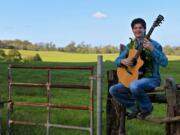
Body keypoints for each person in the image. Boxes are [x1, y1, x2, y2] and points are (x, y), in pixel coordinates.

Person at [109, 18, 168, 119]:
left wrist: (152, 49)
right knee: (113, 89)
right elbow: (117, 60)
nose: (138, 30)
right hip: (134, 79)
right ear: (132, 30)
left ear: (145, 29)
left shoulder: (155, 45)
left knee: (134, 85)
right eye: (135, 28)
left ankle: (147, 108)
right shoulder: (130, 46)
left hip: (152, 79)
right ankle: (135, 108)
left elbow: (164, 62)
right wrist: (123, 61)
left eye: (140, 27)